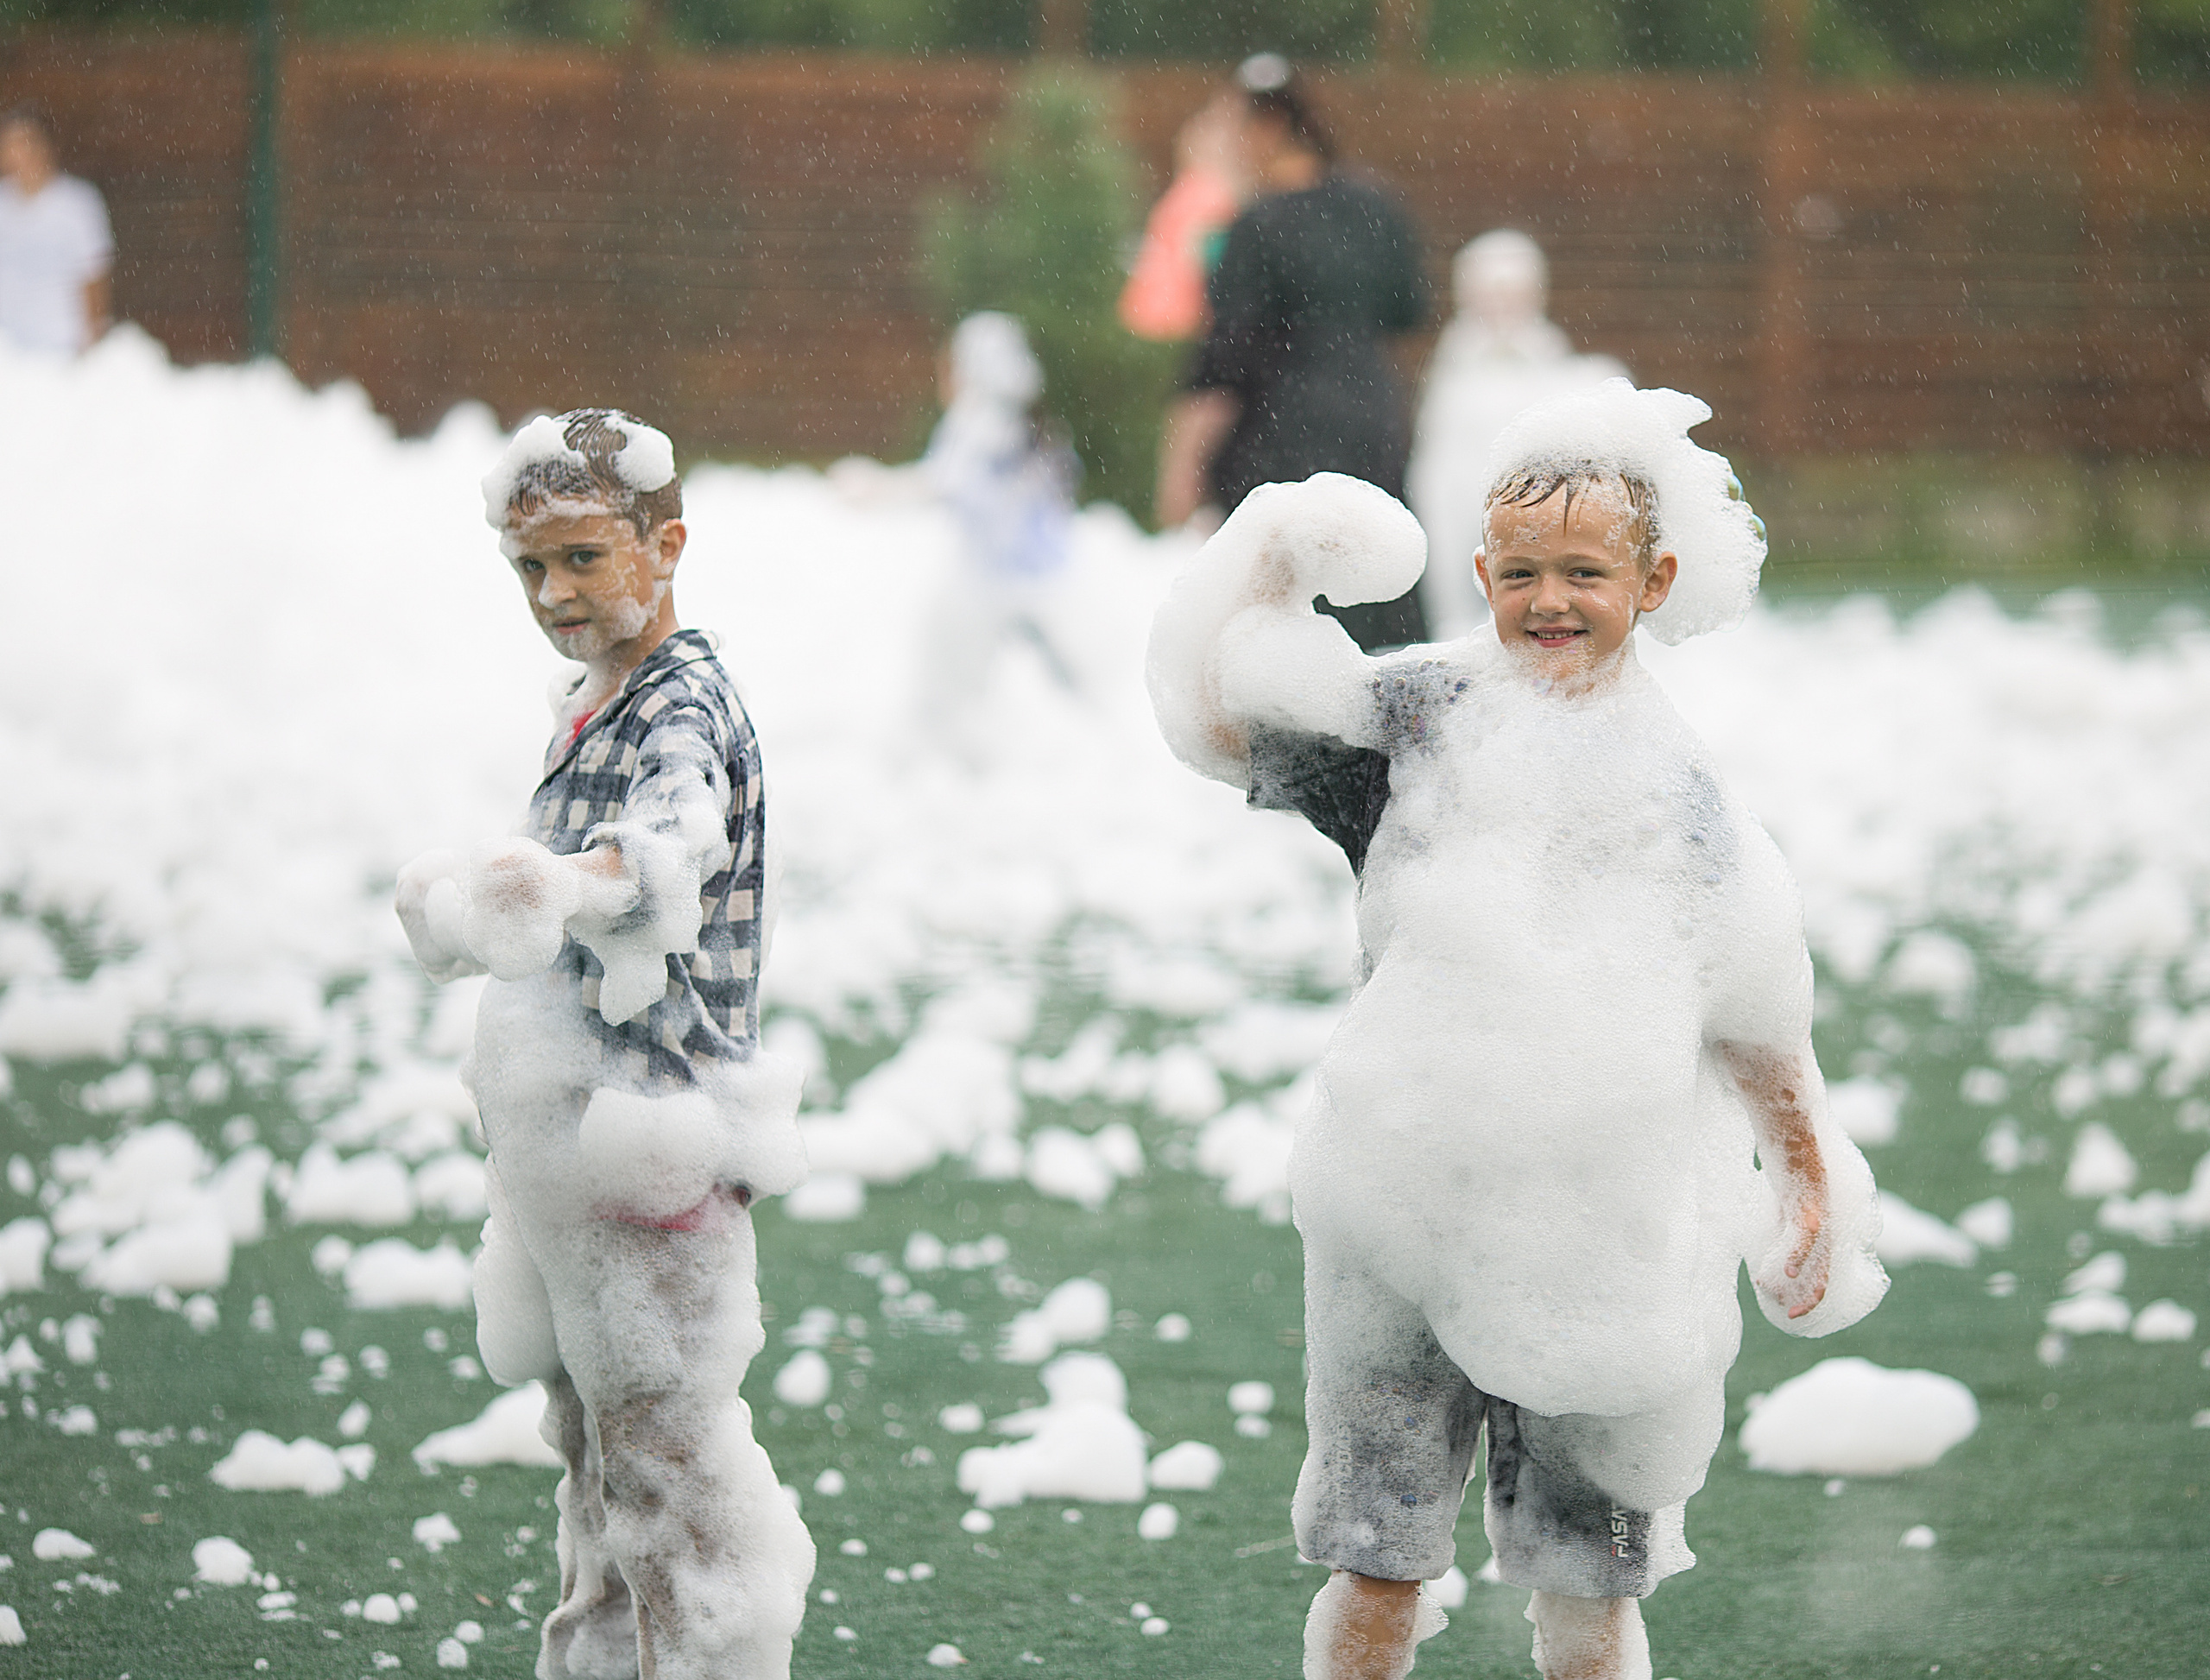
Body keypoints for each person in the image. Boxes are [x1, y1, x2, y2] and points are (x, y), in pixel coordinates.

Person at [1146, 382, 1886, 1680]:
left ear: (1655, 581)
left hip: (1606, 1227)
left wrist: (1808, 1166)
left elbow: (1755, 999)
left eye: (1586, 571)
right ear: (1481, 569)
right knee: (1374, 1550)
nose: (1552, 598)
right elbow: (1217, 727)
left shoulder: (1683, 797)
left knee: (1589, 1580)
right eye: (1524, 571)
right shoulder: (1419, 720)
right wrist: (1260, 560)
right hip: (1404, 1204)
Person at [395, 408, 815, 1680]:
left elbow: (661, 869)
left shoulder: (679, 708)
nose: (555, 592)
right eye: (531, 567)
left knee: (670, 1478)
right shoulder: (600, 699)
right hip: (597, 1144)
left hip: (659, 1142)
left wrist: (555, 887)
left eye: (584, 556)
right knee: (598, 1458)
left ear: (665, 540)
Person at [1156, 54, 1426, 652]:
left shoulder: (1258, 223)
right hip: (1375, 418)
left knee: (1291, 618)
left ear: (1268, 125)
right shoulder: (1376, 207)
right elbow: (1409, 309)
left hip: (1282, 429)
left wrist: (1181, 466)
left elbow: (1222, 359)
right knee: (1378, 592)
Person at [1406, 230, 1629, 638]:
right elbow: (1436, 462)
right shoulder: (1454, 369)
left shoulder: (1554, 365)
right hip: (1461, 513)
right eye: (1491, 294)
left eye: (1514, 293)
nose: (1502, 307)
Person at [1118, 86, 1247, 343]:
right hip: (1181, 327)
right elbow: (1213, 273)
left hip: (1148, 321)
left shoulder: (1182, 195)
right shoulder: (1212, 199)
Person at [0, 106, 111, 357]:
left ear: (44, 146)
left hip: (60, 350)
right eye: (8, 146)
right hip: (7, 353)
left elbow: (94, 278)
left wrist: (92, 346)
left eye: (22, 144)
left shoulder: (78, 203)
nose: (15, 155)